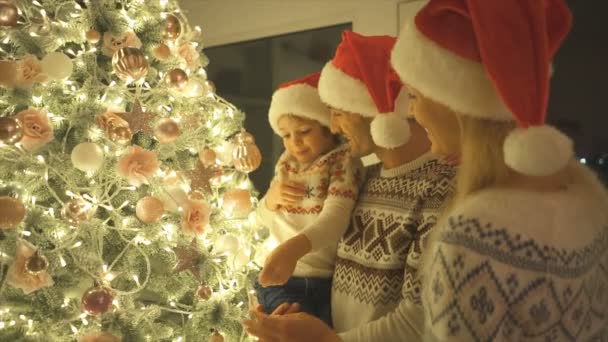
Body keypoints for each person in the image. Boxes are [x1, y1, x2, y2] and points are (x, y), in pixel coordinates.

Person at [390, 0, 608, 340]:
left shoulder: (474, 237)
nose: (410, 111)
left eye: (415, 95)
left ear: (458, 103)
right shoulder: (587, 202)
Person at [245, 30, 456, 342]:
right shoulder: (363, 180)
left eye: (339, 112)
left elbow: (418, 319)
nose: (332, 127)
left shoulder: (442, 188)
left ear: (375, 110)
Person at [254, 72, 364, 326]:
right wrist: (271, 200)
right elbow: (263, 217)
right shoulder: (286, 165)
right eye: (286, 135)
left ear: (328, 129)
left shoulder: (343, 163)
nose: (295, 143)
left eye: (304, 131)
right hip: (280, 279)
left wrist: (295, 248)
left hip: (325, 280)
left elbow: (336, 218)